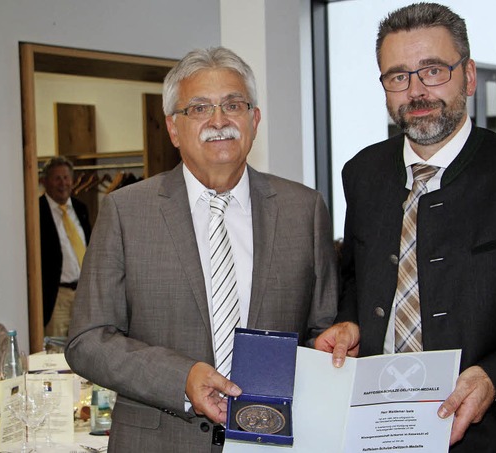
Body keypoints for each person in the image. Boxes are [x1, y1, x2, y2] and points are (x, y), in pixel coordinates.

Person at [315, 3, 496, 452]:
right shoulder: (362, 173)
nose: (416, 91)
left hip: (494, 435)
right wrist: (350, 322)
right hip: (377, 430)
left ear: (468, 75)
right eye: (398, 76)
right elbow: (360, 277)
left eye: (432, 70)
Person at [65, 46, 338, 452]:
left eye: (233, 104)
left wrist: (330, 344)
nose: (219, 120)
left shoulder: (304, 209)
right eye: (199, 108)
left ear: (254, 119)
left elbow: (321, 329)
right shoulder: (125, 211)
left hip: (274, 442)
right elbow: (87, 339)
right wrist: (181, 378)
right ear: (174, 129)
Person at [39, 156, 91, 337]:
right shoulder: (37, 211)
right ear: (44, 182)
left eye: (66, 178)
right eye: (57, 178)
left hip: (83, 295)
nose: (63, 183)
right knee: (55, 350)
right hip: (56, 297)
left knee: (84, 346)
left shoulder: (81, 208)